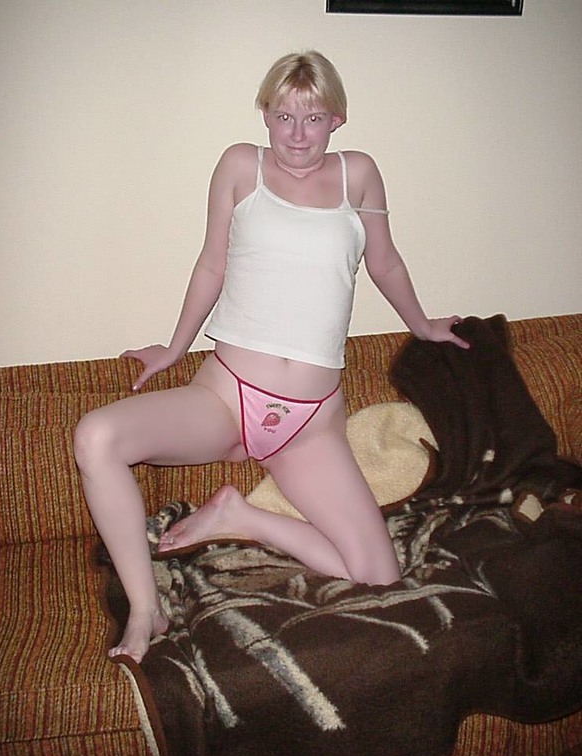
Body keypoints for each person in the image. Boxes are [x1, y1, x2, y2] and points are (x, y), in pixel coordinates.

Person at [74, 51, 469, 664]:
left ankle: (242, 517)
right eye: (284, 116)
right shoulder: (241, 166)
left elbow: (385, 261)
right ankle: (147, 609)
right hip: (226, 396)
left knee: (379, 576)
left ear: (336, 119)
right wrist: (174, 348)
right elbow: (212, 263)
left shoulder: (359, 174)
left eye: (312, 118)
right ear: (265, 114)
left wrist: (423, 326)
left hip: (309, 424)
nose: (297, 134)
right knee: (96, 436)